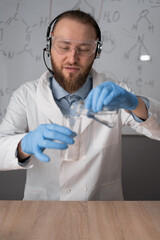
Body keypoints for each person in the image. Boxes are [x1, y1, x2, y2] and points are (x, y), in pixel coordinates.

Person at [0, 10, 160, 201]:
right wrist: (23, 144)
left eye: (84, 49)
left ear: (97, 52)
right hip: (42, 211)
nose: (72, 58)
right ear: (49, 47)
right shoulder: (26, 95)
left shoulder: (116, 94)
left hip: (103, 212)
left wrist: (135, 103)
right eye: (63, 46)